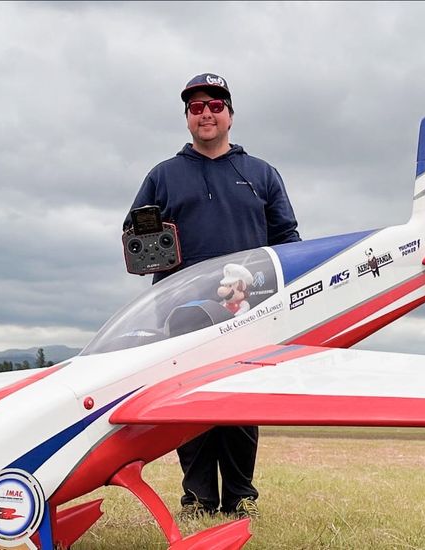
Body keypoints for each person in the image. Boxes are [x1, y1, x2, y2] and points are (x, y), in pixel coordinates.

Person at [124, 73, 300, 520]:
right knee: (189, 403)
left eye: (215, 105)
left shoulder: (260, 173)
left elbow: (288, 239)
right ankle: (198, 496)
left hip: (249, 308)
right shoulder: (163, 176)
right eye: (196, 107)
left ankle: (241, 495)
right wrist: (151, 251)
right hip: (180, 311)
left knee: (238, 400)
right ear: (187, 119)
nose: (206, 113)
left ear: (230, 115)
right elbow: (136, 235)